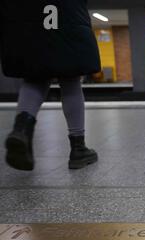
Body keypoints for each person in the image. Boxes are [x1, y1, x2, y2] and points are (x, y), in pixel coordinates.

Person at [0, 0, 100, 171]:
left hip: (28, 22)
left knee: (34, 77)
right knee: (70, 79)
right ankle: (78, 148)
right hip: (69, 19)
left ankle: (21, 129)